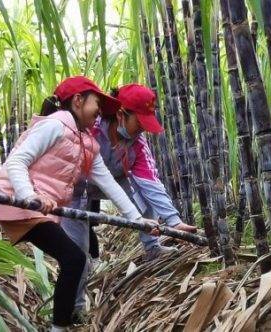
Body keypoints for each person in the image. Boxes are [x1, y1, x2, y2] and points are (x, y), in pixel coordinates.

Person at [0, 76, 157, 331]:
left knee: (75, 259)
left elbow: (109, 184)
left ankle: (62, 324)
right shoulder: (54, 125)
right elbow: (16, 161)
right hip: (20, 204)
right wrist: (30, 195)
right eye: (96, 103)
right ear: (78, 101)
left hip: (38, 208)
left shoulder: (86, 141)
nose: (100, 111)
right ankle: (60, 326)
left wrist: (137, 220)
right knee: (75, 258)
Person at [61, 83, 196, 322]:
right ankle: (76, 308)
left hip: (116, 183)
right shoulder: (91, 130)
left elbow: (151, 182)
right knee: (78, 249)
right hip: (75, 189)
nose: (141, 131)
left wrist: (174, 221)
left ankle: (152, 248)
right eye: (139, 123)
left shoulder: (137, 144)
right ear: (122, 114)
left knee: (145, 197)